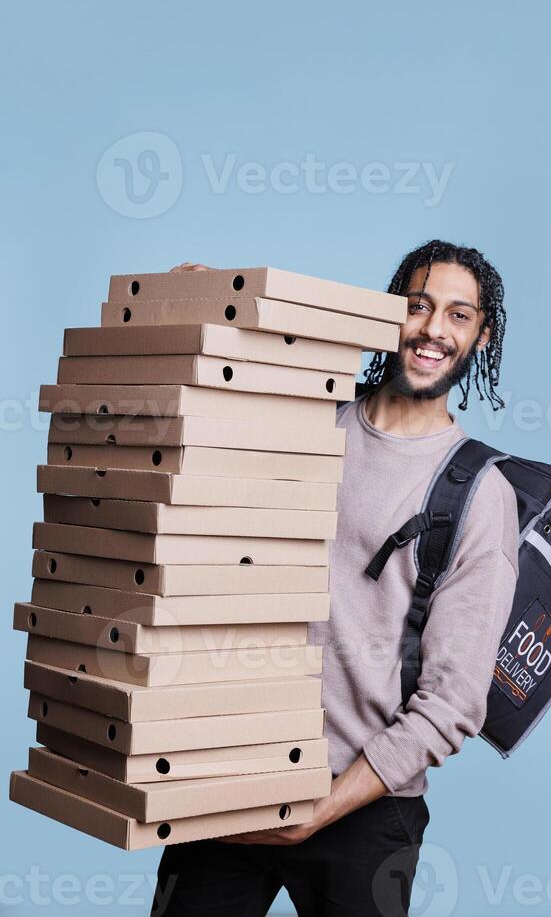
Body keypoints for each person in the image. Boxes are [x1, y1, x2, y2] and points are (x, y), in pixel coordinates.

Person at [151, 240, 519, 917]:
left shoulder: (478, 492)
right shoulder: (306, 421)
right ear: (389, 315)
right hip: (233, 781)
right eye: (418, 306)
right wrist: (195, 311)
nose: (435, 329)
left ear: (479, 336)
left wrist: (321, 808)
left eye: (459, 316)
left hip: (364, 809)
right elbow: (213, 404)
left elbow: (455, 699)